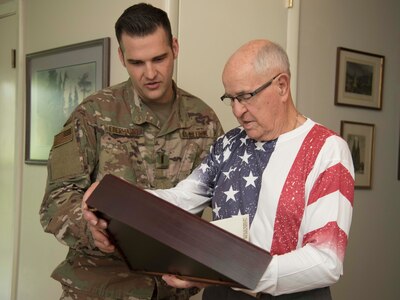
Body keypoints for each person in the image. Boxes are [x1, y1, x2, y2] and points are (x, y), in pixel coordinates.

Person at [83, 39, 355, 299]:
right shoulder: (228, 143)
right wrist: (115, 199)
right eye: (231, 98)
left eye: (246, 96)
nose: (237, 111)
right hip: (221, 294)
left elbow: (325, 260)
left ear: (282, 86)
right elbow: (181, 200)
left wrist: (234, 271)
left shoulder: (327, 150)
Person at [39, 3, 223, 300]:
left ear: (175, 48)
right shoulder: (93, 115)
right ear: (122, 58)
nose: (150, 73)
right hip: (100, 290)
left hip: (171, 291)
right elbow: (55, 203)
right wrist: (91, 231)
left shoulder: (205, 121)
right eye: (137, 62)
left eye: (159, 58)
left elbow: (226, 204)